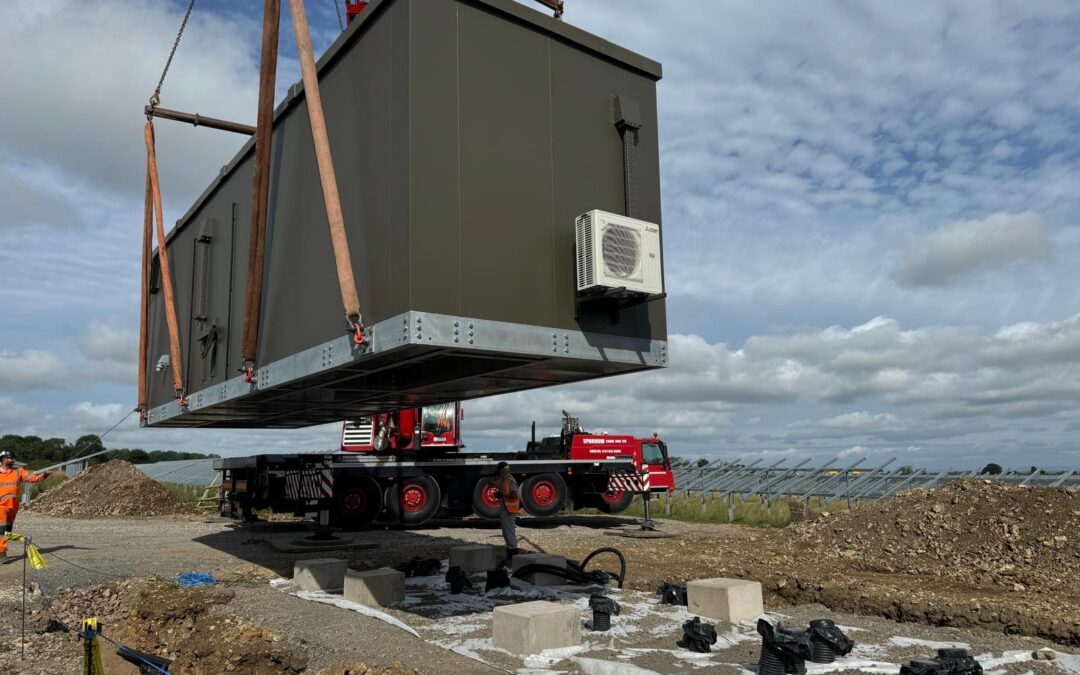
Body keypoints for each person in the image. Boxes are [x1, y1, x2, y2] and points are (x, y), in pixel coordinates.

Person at [0, 450, 54, 562]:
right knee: (2, 529)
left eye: (14, 458)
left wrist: (44, 475)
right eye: (11, 458)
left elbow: (32, 479)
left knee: (7, 530)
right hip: (1, 506)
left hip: (13, 506)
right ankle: (2, 552)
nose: (14, 460)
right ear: (4, 459)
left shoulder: (19, 471)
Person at [492, 461, 520, 561]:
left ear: (502, 470)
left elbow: (515, 494)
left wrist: (502, 495)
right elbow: (496, 484)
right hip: (505, 509)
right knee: (506, 532)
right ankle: (510, 554)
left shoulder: (509, 480)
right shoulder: (504, 480)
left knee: (509, 533)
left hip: (509, 509)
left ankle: (513, 555)